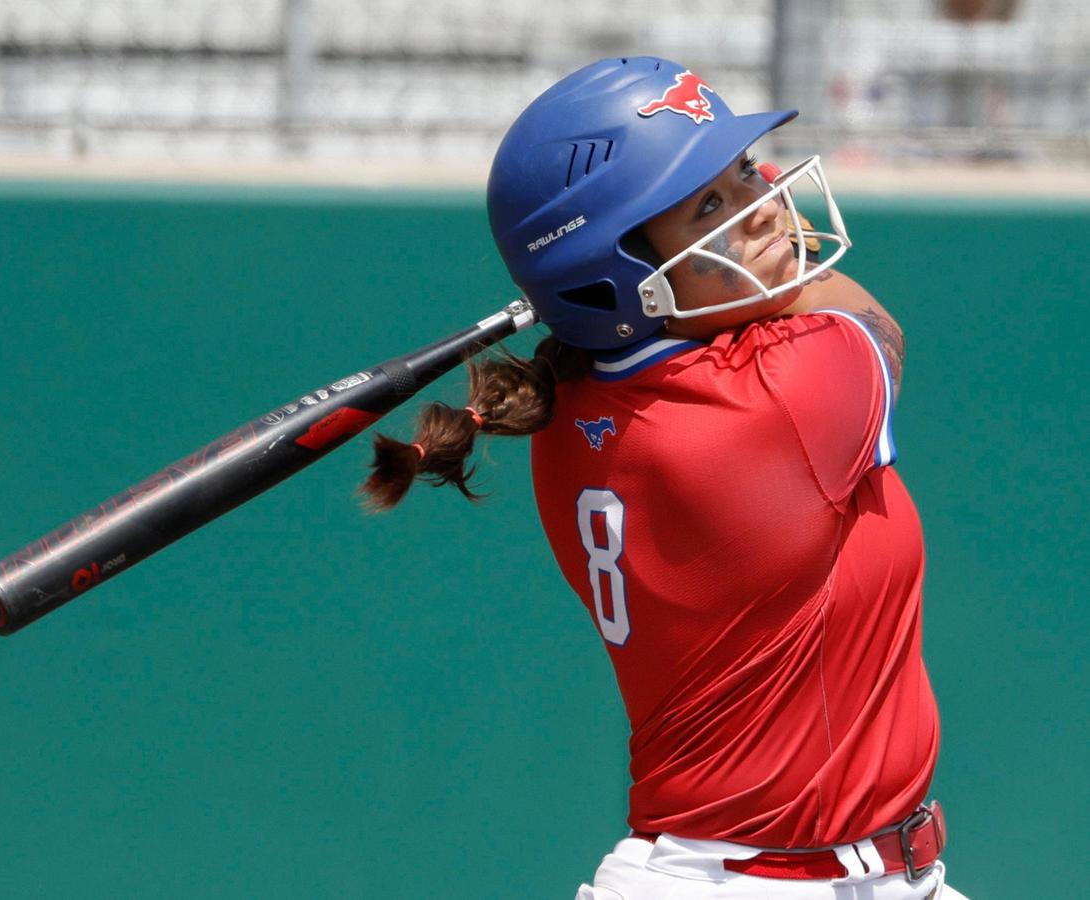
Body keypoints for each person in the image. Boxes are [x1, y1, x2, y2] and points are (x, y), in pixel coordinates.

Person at [361, 56, 965, 899]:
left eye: (742, 173)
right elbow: (864, 315)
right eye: (712, 206)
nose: (766, 205)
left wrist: (617, 282)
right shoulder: (780, 397)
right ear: (620, 284)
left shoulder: (562, 402)